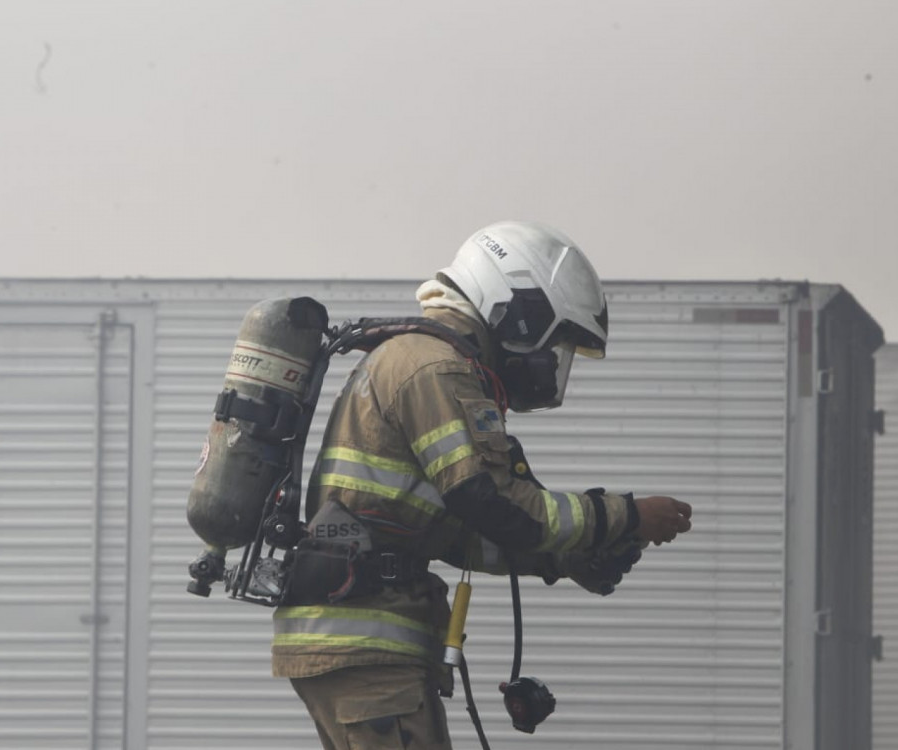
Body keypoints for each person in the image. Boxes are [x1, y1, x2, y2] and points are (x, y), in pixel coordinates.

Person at [271, 220, 693, 749]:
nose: (550, 362)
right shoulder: (435, 369)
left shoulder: (421, 361)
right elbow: (497, 505)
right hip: (368, 649)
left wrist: (562, 559)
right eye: (554, 339)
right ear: (515, 310)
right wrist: (628, 516)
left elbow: (453, 535)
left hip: (361, 642)